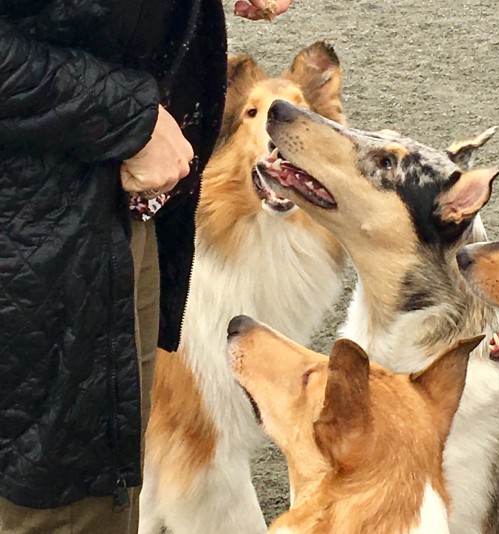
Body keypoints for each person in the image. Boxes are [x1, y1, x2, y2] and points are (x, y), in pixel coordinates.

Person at [0, 0, 291, 532]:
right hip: (37, 236)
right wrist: (126, 118)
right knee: (61, 501)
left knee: (111, 480)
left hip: (107, 216)